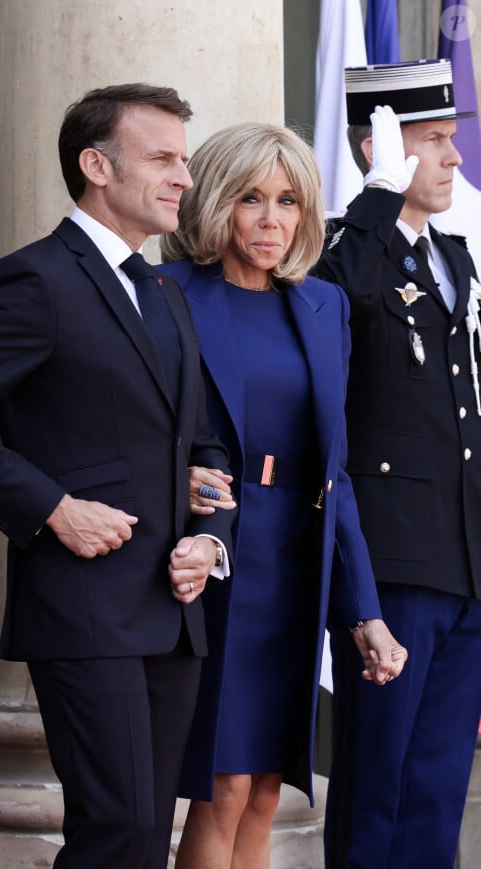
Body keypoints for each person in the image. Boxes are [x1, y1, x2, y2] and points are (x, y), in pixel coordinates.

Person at [0, 83, 237, 869]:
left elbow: (209, 444)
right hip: (86, 609)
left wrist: (210, 537)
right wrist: (53, 507)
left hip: (174, 609)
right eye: (163, 158)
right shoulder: (37, 280)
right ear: (96, 165)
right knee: (115, 832)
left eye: (183, 161)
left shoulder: (164, 290)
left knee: (144, 839)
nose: (184, 179)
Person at [158, 121, 408, 869]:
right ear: (213, 204)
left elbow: (338, 472)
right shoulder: (167, 293)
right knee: (224, 783)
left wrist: (364, 609)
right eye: (251, 199)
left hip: (298, 563)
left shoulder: (323, 306)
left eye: (289, 202)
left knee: (269, 787)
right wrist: (176, 485)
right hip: (219, 556)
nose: (272, 220)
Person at [315, 59, 481, 869]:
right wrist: (376, 198)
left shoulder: (453, 256)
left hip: (462, 555)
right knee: (378, 778)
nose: (455, 158)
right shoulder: (348, 254)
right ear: (378, 148)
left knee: (439, 783)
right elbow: (328, 309)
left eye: (454, 140)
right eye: (435, 141)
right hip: (392, 560)